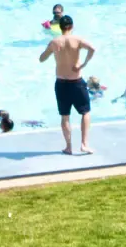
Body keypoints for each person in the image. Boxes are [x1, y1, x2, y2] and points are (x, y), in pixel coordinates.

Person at [38, 14, 96, 155]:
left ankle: (68, 147)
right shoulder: (77, 40)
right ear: (72, 26)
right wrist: (83, 64)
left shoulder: (55, 42)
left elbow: (41, 59)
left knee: (65, 116)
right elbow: (92, 48)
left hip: (61, 83)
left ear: (60, 27)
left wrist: (51, 50)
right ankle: (84, 144)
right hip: (76, 81)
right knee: (85, 112)